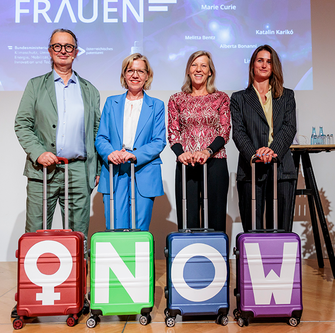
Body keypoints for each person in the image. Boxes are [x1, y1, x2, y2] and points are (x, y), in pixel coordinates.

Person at [13, 29, 100, 318]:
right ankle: (29, 298)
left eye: (69, 46)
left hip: (77, 169)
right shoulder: (35, 85)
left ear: (76, 51)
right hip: (43, 171)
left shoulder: (89, 89)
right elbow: (22, 124)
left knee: (78, 238)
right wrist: (38, 152)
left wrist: (96, 168)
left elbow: (97, 133)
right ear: (49, 51)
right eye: (57, 46)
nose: (63, 51)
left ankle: (79, 295)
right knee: (35, 233)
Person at [230, 44, 297, 233]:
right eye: (260, 60)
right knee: (253, 231)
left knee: (281, 229)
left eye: (269, 61)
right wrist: (255, 154)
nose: (264, 65)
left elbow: (289, 128)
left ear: (274, 66)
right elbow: (239, 132)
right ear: (252, 65)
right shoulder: (239, 98)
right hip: (250, 169)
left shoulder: (287, 96)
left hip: (281, 168)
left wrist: (271, 151)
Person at [95, 53, 166, 231]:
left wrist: (134, 155)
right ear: (124, 75)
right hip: (114, 170)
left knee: (139, 229)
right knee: (114, 227)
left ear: (147, 75)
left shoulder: (156, 105)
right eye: (130, 70)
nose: (135, 75)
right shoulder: (111, 103)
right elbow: (101, 137)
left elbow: (159, 141)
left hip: (144, 172)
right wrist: (110, 153)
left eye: (140, 71)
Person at [168, 50, 231, 232]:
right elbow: (173, 132)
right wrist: (182, 154)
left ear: (210, 72)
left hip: (215, 162)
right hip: (187, 163)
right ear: (188, 70)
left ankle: (217, 260)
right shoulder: (176, 99)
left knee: (215, 218)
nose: (198, 69)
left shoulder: (221, 98)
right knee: (189, 220)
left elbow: (224, 131)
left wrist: (207, 151)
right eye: (194, 65)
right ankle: (188, 259)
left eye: (204, 65)